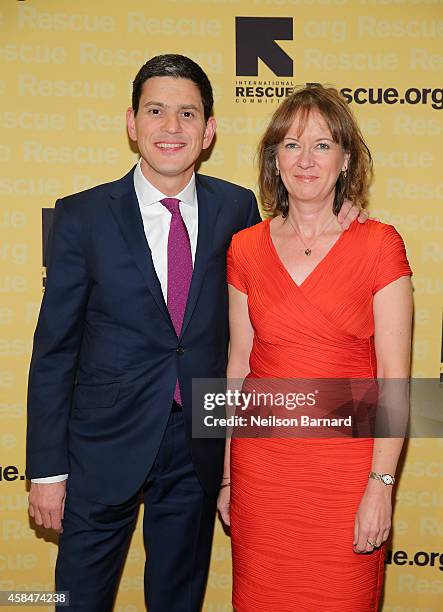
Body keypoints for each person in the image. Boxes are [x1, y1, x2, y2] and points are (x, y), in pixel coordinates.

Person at [26, 56, 365, 612]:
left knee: (178, 600)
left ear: (209, 131)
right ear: (132, 123)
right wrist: (45, 469)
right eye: (156, 111)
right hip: (99, 449)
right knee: (76, 600)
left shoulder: (236, 207)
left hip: (197, 448)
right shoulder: (81, 216)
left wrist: (338, 216)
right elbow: (53, 352)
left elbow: (288, 247)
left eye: (188, 113)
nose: (172, 127)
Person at [219, 85, 413, 611]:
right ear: (274, 160)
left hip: (347, 474)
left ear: (346, 159)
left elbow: (394, 380)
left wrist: (381, 485)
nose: (306, 160)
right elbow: (239, 367)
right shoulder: (245, 248)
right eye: (291, 144)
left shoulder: (379, 244)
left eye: (323, 145)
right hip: (263, 471)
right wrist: (227, 475)